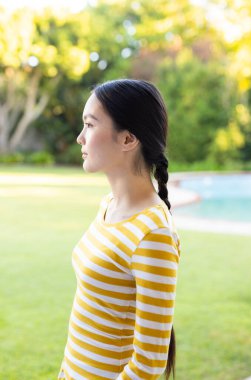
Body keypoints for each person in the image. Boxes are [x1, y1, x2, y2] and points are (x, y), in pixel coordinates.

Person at [58, 79, 181, 380]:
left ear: (128, 139)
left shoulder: (154, 234)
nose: (79, 138)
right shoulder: (108, 205)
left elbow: (148, 365)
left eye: (89, 125)